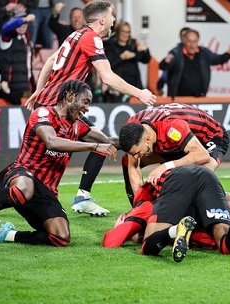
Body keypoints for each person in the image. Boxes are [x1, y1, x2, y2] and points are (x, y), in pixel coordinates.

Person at [22, 0, 155, 216]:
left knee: (99, 142)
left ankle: (83, 195)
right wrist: (139, 92)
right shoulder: (91, 38)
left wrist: (39, 89)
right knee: (31, 161)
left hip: (52, 101)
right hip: (59, 106)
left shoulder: (76, 34)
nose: (114, 21)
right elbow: (107, 76)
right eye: (112, 16)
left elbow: (49, 62)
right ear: (102, 19)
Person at [0, 79, 117, 247]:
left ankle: (7, 234)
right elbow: (51, 141)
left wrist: (137, 141)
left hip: (47, 191)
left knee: (61, 237)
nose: (87, 108)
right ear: (69, 97)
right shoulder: (43, 114)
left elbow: (109, 141)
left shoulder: (77, 126)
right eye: (85, 102)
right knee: (25, 188)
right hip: (21, 175)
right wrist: (94, 146)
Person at [137, 166, 230, 263]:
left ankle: (176, 230)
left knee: (147, 245)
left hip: (179, 180)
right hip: (207, 176)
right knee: (226, 246)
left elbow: (131, 227)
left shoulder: (144, 200)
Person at [118, 103, 229, 206]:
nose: (136, 156)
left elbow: (202, 155)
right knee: (128, 161)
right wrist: (141, 205)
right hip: (178, 143)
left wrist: (165, 166)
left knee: (200, 174)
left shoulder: (171, 128)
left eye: (138, 153)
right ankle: (138, 211)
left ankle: (225, 202)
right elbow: (133, 166)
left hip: (209, 137)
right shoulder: (133, 128)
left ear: (147, 139)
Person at [159, 28, 230, 98]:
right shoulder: (176, 53)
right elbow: (164, 67)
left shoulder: (204, 53)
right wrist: (166, 62)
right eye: (189, 41)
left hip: (199, 99)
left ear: (198, 41)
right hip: (179, 99)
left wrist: (227, 55)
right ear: (184, 41)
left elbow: (217, 59)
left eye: (194, 41)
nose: (192, 45)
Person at [102, 20, 151, 103]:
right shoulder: (110, 45)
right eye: (123, 31)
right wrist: (121, 58)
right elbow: (108, 66)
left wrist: (145, 51)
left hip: (134, 85)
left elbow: (146, 59)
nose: (125, 34)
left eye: (127, 32)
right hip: (118, 87)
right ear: (118, 32)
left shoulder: (133, 45)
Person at [0, 13, 37, 105]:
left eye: (24, 24)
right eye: (19, 24)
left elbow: (28, 65)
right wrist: (24, 20)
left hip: (26, 87)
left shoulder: (27, 40)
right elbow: (5, 28)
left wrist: (32, 85)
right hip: (10, 88)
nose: (22, 26)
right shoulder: (7, 38)